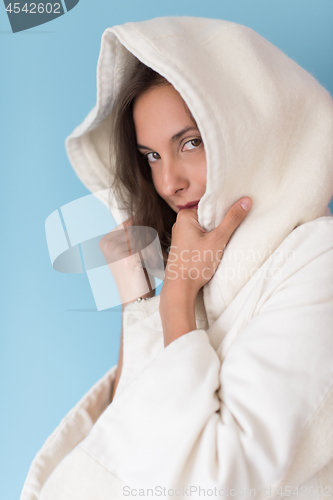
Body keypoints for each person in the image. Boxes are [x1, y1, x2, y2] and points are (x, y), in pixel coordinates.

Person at [21, 16, 333, 500]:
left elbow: (214, 483)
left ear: (251, 126)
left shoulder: (319, 261)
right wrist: (139, 303)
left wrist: (177, 297)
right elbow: (128, 444)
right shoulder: (202, 266)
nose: (169, 183)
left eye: (191, 143)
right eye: (151, 156)